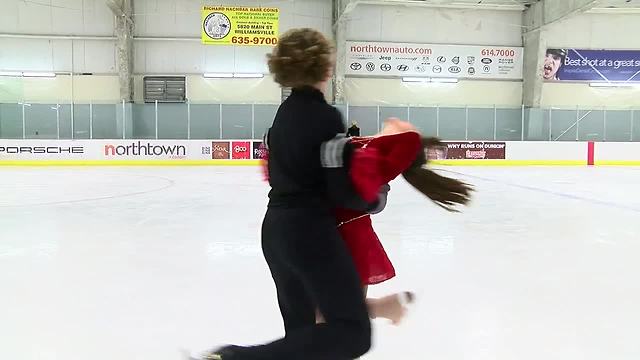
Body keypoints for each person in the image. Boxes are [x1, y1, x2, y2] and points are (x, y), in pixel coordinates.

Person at [194, 28, 394, 360]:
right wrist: (376, 197)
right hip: (308, 233)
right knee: (352, 333)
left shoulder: (281, 117)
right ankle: (235, 357)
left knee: (303, 336)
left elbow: (277, 172)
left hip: (275, 232)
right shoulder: (326, 117)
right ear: (326, 69)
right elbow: (340, 190)